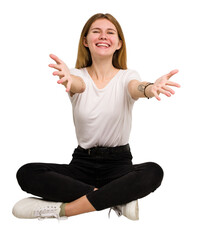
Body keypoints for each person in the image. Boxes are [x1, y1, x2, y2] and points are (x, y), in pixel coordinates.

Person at [12, 13, 180, 221]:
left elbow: (136, 88)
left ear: (119, 43)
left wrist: (149, 88)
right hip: (82, 164)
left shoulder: (127, 76)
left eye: (110, 33)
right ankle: (117, 198)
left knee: (154, 171)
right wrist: (68, 79)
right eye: (96, 32)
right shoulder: (76, 76)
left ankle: (63, 210)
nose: (103, 36)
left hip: (119, 165)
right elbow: (77, 84)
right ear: (85, 41)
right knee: (27, 172)